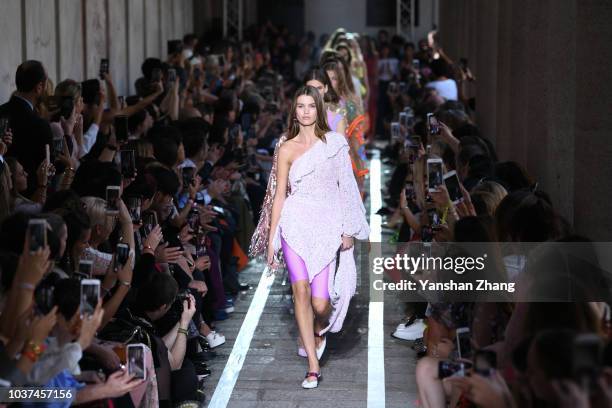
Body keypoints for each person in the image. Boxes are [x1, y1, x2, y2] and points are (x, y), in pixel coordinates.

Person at [250, 86, 369, 388]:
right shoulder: (286, 147)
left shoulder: (334, 143)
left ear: (318, 109)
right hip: (295, 222)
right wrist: (273, 238)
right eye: (300, 106)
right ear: (294, 111)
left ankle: (318, 328)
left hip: (327, 223)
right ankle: (313, 366)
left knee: (320, 303)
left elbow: (347, 187)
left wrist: (348, 229)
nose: (305, 111)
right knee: (299, 290)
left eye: (310, 106)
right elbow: (279, 196)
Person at [0, 60, 54, 197]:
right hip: (30, 198)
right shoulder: (39, 125)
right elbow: (48, 168)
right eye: (46, 83)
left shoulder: (1, 112)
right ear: (39, 87)